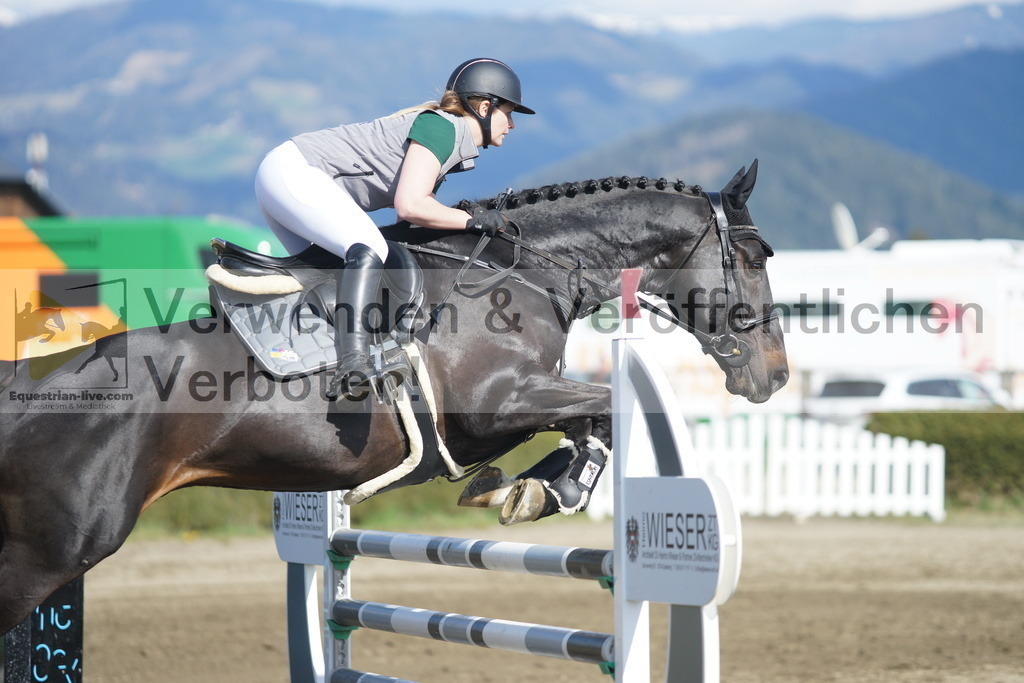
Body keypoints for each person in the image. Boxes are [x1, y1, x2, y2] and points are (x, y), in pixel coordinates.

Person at [254, 58, 535, 398]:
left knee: (328, 275)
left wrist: (465, 222)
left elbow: (409, 222)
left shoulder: (447, 136)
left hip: (282, 176)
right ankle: (353, 366)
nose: (512, 125)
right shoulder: (442, 128)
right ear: (485, 107)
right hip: (293, 173)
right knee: (369, 248)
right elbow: (410, 205)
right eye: (509, 113)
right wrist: (472, 221)